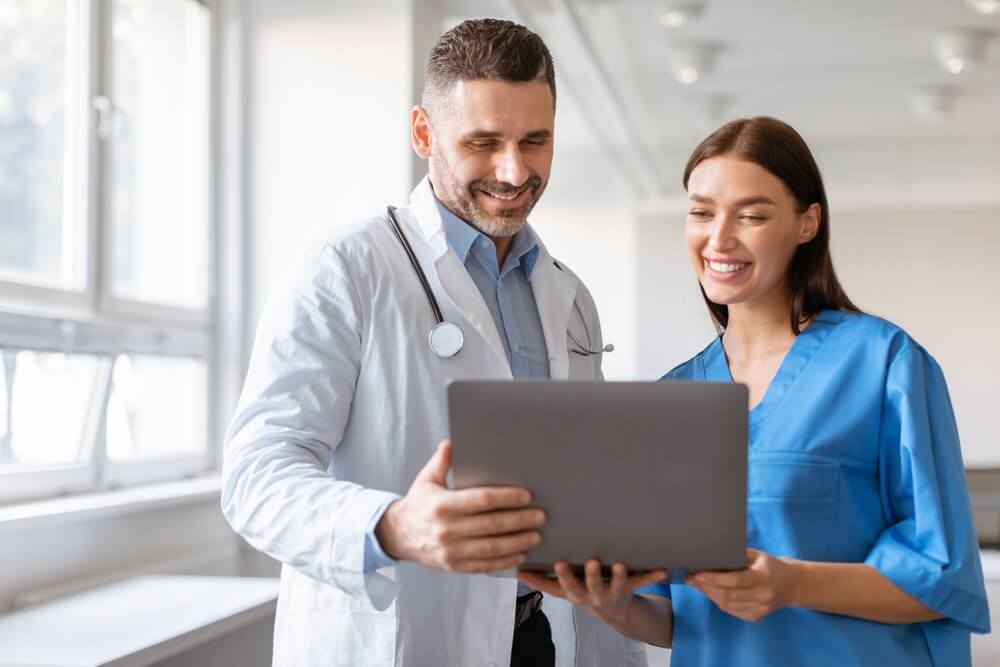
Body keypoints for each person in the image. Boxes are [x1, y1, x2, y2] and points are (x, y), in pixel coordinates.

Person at [221, 18, 645, 667]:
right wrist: (394, 525)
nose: (514, 169)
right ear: (424, 132)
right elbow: (254, 478)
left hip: (539, 637)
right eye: (483, 142)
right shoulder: (343, 270)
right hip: (401, 641)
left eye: (536, 140)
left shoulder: (569, 295)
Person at [518, 116, 990, 666]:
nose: (719, 238)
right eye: (700, 212)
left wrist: (791, 584)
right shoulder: (675, 397)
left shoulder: (883, 364)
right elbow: (674, 617)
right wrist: (603, 603)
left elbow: (941, 575)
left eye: (752, 215)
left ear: (807, 223)